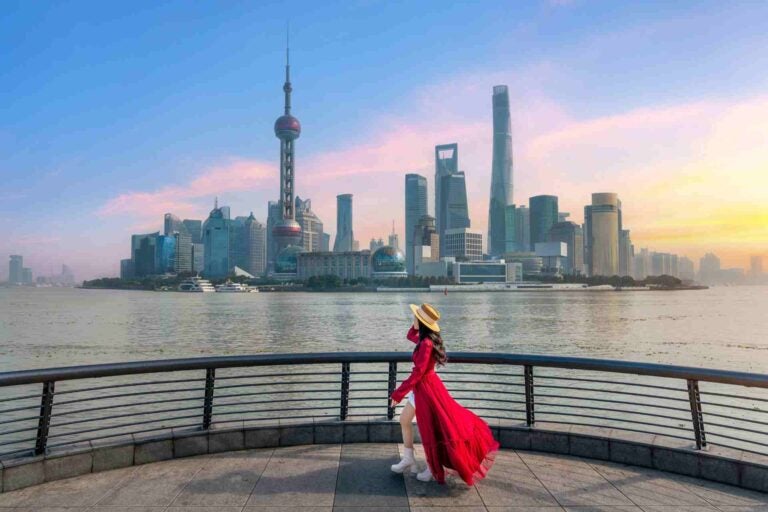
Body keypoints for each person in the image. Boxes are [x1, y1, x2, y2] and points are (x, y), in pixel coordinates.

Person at [389, 303, 499, 484]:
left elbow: (418, 372)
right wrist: (417, 323)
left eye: (415, 317)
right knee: (405, 420)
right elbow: (410, 335)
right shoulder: (423, 339)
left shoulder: (425, 343)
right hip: (420, 389)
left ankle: (433, 468)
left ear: (422, 322)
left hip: (427, 391)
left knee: (431, 430)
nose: (413, 319)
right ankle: (409, 458)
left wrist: (398, 393)